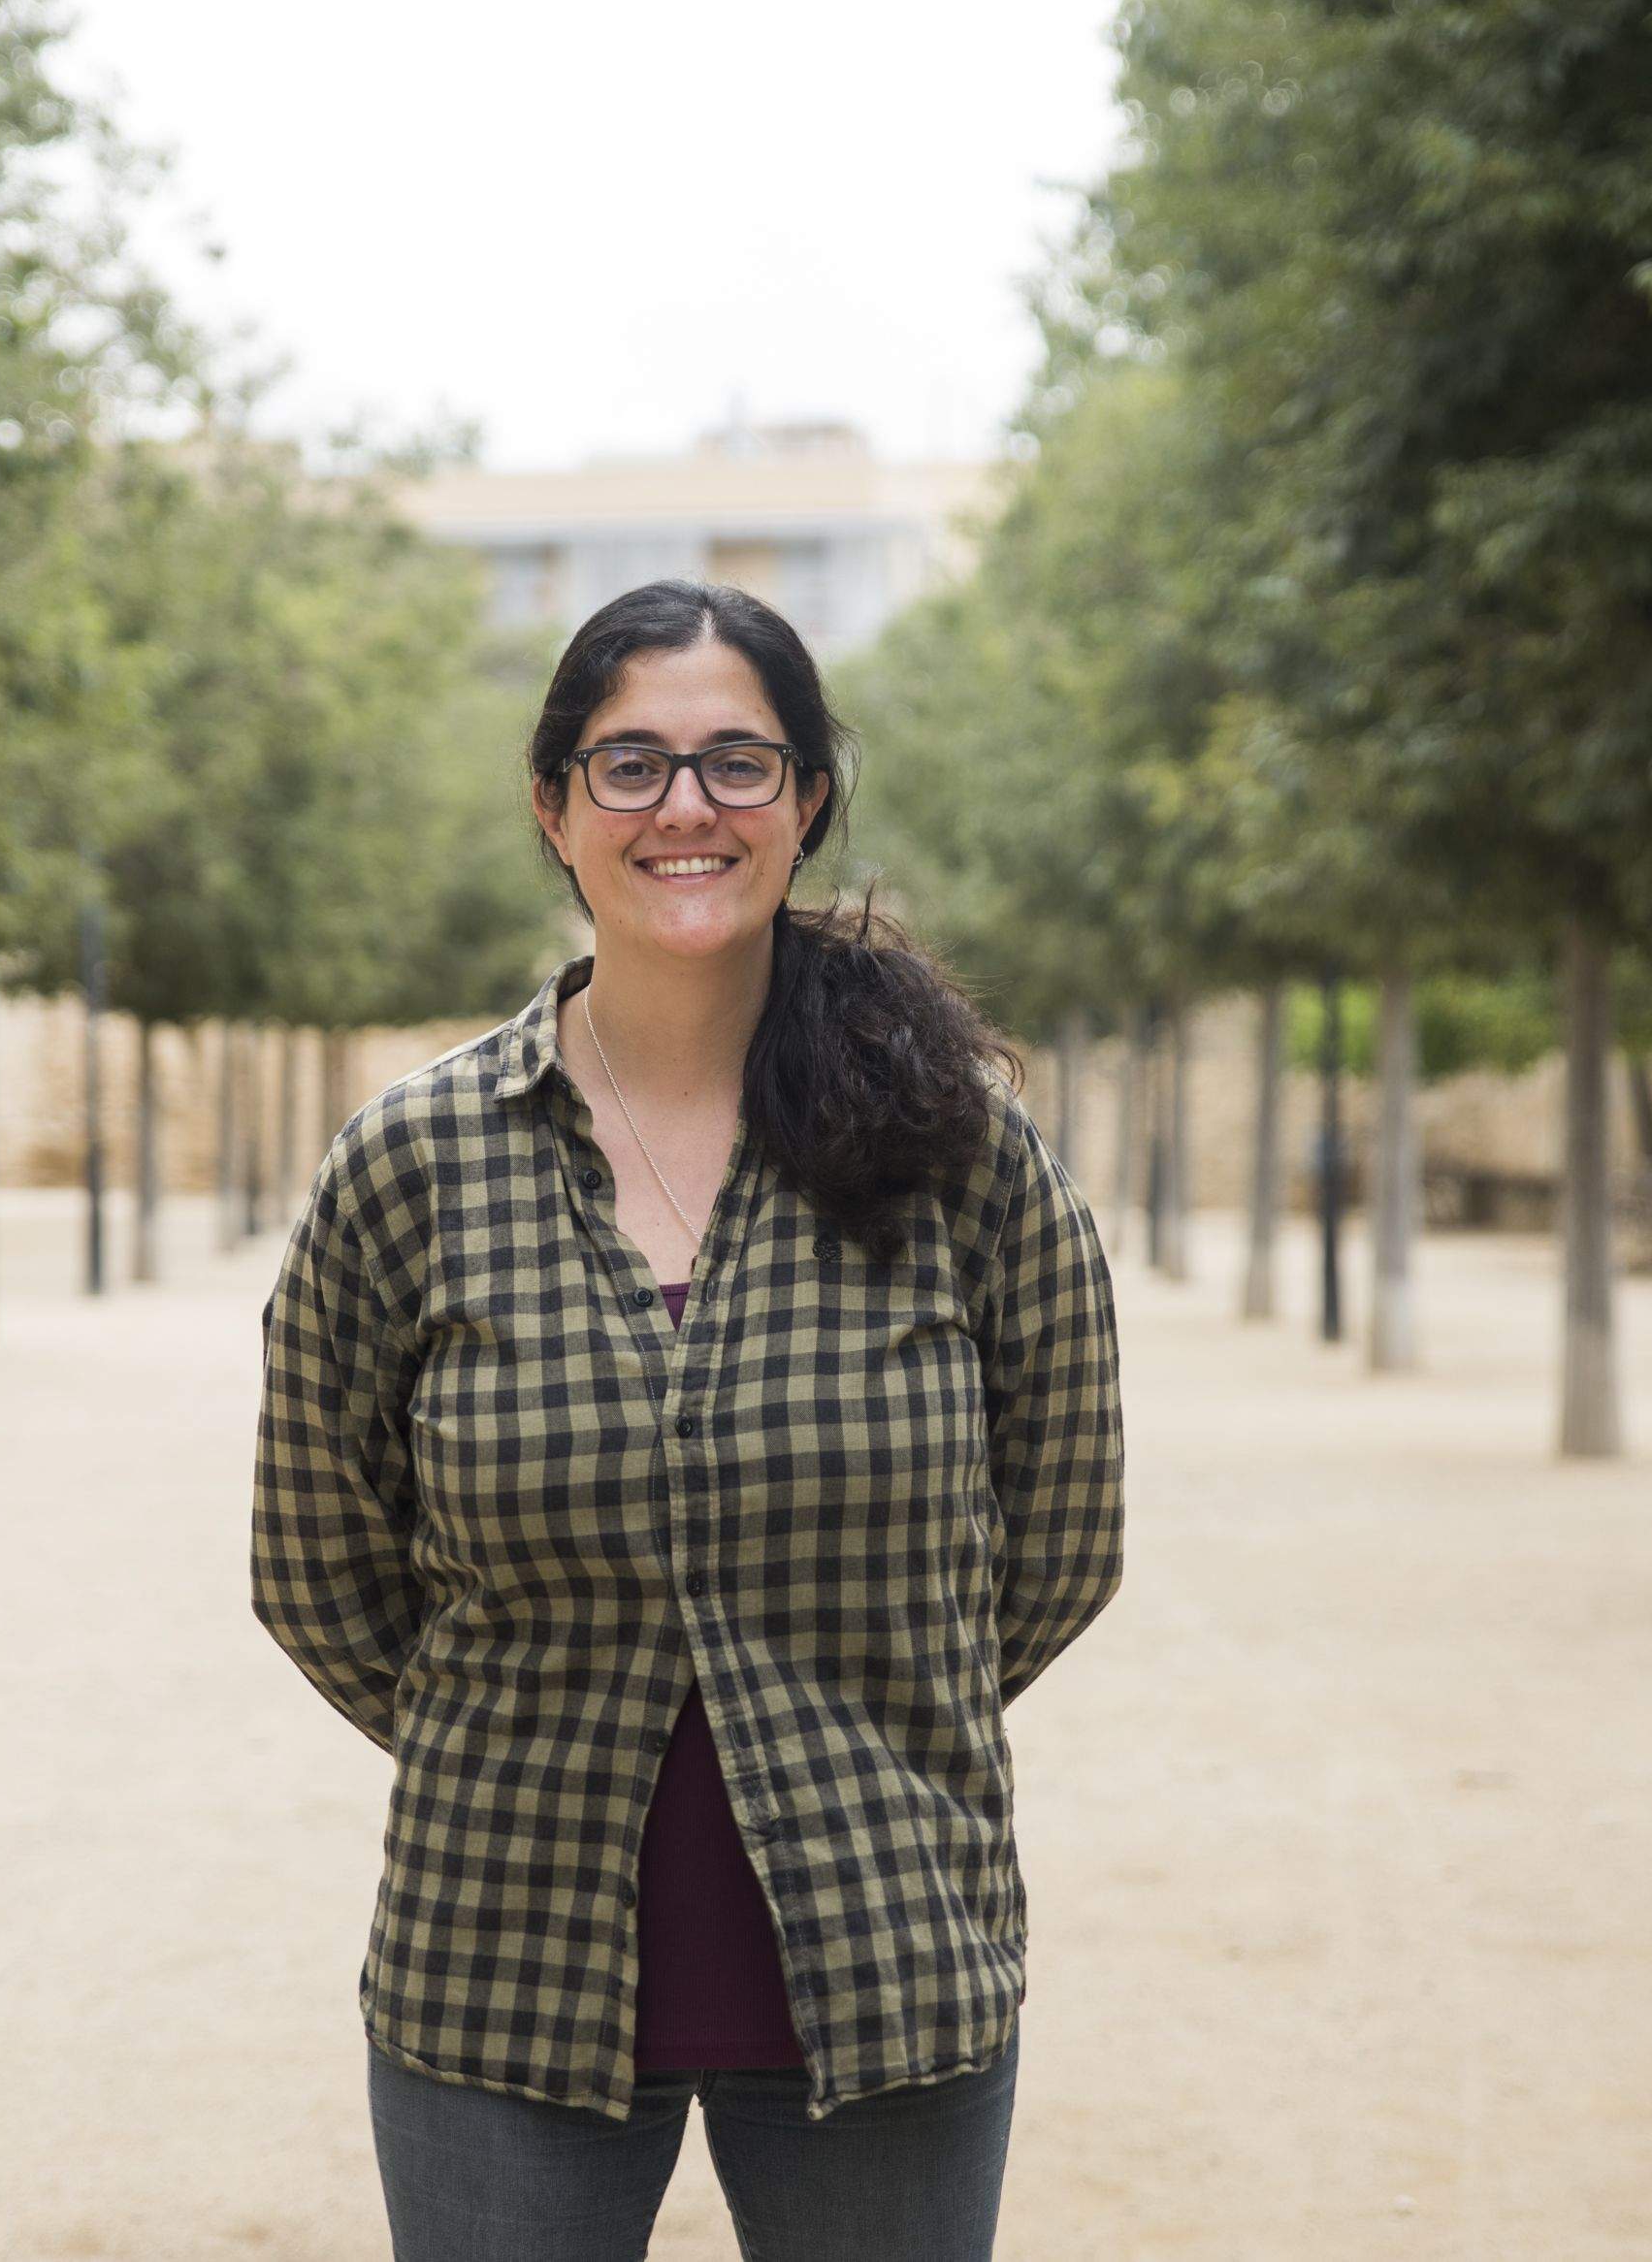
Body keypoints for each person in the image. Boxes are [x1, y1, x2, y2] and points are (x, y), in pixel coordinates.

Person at [251, 577, 1128, 2262]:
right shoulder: (414, 1163)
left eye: (738, 762)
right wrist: (503, 1730)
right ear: (555, 806)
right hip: (497, 1968)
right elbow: (317, 1563)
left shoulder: (962, 1151)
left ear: (806, 800)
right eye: (632, 764)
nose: (686, 809)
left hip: (887, 1962)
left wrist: (862, 1708)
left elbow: (1064, 1529)